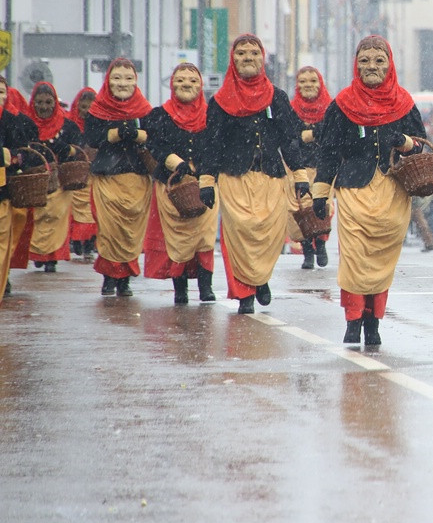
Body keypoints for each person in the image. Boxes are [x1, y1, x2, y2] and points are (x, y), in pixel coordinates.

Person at [313, 35, 426, 345]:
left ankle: (373, 320)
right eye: (365, 60)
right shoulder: (342, 105)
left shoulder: (404, 104)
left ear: (389, 64)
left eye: (378, 60)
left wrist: (405, 143)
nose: (371, 66)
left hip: (392, 193)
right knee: (353, 257)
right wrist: (321, 192)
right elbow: (329, 152)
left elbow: (422, 146)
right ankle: (353, 319)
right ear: (355, 64)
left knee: (380, 259)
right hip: (354, 190)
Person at [203, 34, 308, 315]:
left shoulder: (278, 98)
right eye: (241, 53)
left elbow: (289, 139)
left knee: (270, 235)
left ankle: (260, 279)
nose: (247, 57)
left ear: (262, 58)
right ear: (232, 59)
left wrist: (300, 174)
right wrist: (206, 180)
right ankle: (244, 293)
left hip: (271, 177)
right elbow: (211, 144)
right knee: (239, 235)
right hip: (234, 178)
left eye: (253, 53)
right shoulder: (220, 102)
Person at [143, 63, 218, 304]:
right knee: (176, 239)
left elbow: (217, 146)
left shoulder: (212, 116)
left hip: (204, 182)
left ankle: (206, 286)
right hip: (171, 185)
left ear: (201, 85)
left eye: (193, 80)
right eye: (181, 80)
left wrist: (202, 167)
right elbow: (154, 146)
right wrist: (176, 162)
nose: (187, 84)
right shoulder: (160, 116)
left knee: (205, 237)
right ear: (172, 84)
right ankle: (181, 289)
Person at [82, 58, 155, 296]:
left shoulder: (145, 110)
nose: (122, 83)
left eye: (128, 78)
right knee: (109, 229)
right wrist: (112, 134)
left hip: (136, 177)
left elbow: (155, 139)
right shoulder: (97, 110)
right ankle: (109, 276)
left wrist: (137, 134)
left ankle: (125, 279)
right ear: (108, 80)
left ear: (135, 81)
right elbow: (92, 138)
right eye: (116, 78)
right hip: (108, 177)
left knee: (132, 230)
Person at [27, 82, 81, 273]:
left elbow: (79, 149)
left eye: (48, 102)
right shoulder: (25, 124)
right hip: (33, 181)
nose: (43, 107)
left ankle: (52, 258)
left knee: (56, 217)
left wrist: (66, 149)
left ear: (55, 103)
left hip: (60, 182)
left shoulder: (67, 126)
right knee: (36, 218)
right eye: (39, 102)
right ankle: (38, 254)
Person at [287, 66, 333, 269]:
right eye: (303, 81)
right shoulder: (290, 108)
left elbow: (332, 133)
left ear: (320, 83)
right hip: (298, 168)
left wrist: (309, 134)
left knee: (321, 206)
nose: (308, 85)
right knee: (299, 208)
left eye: (313, 81)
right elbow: (289, 136)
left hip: (323, 166)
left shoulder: (330, 108)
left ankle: (321, 244)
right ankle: (307, 250)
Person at [0, 77, 32, 303]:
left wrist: (13, 158)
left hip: (4, 188)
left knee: (4, 237)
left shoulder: (12, 121)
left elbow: (22, 152)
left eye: (1, 92)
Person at [66, 87, 98, 260]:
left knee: (90, 209)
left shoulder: (99, 127)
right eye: (83, 107)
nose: (86, 112)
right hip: (75, 174)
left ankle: (89, 243)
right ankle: (78, 241)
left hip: (92, 175)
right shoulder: (70, 125)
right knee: (76, 210)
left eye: (90, 108)